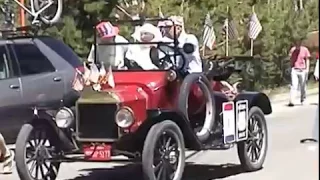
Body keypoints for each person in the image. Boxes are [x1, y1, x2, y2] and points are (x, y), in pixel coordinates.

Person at [288, 39, 311, 106]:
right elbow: (290, 58)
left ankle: (303, 99)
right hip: (295, 69)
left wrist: (307, 69)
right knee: (294, 85)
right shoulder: (293, 50)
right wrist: (291, 67)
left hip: (303, 70)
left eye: (299, 43)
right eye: (296, 43)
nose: (298, 44)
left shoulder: (305, 50)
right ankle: (292, 100)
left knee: (303, 86)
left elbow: (307, 59)